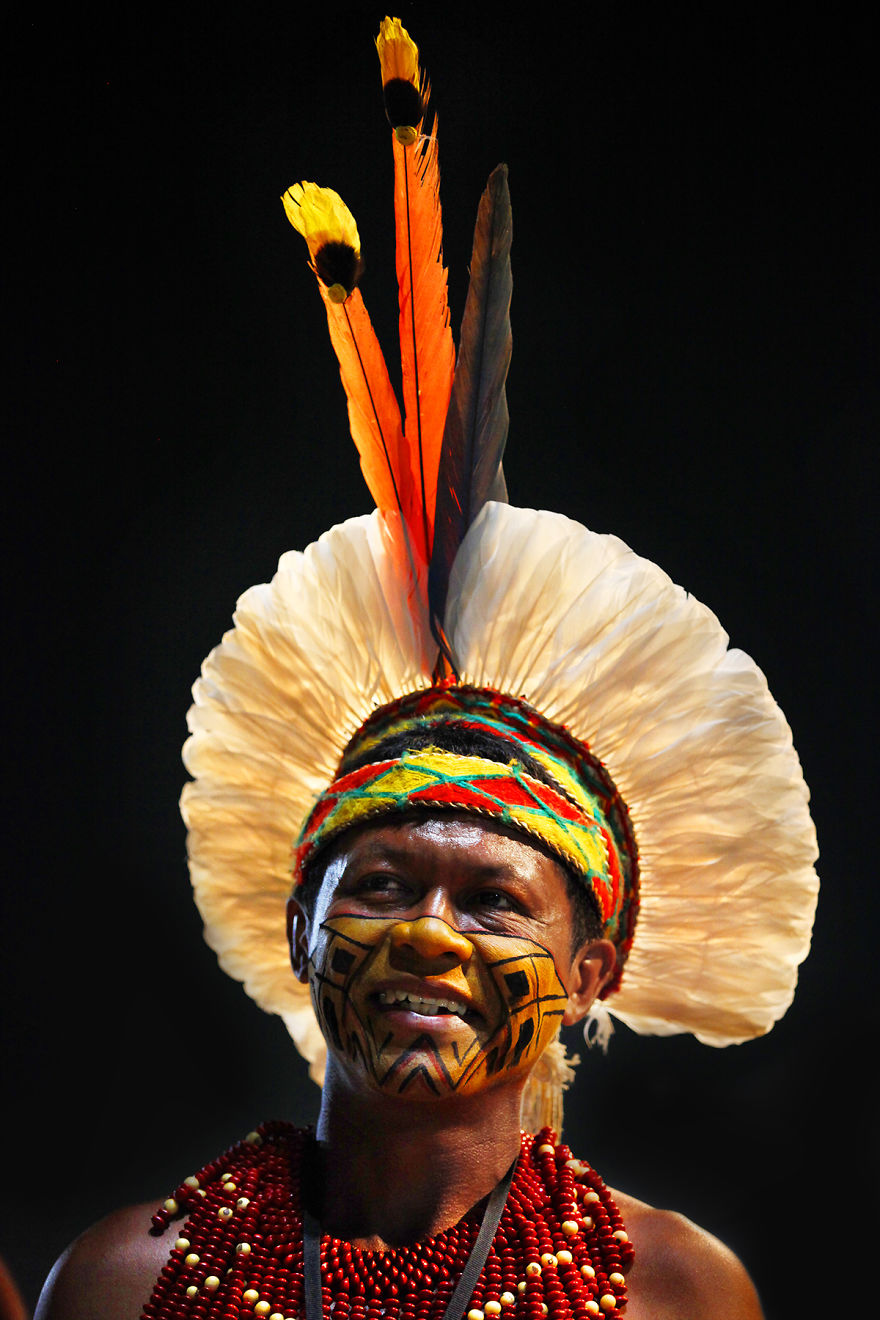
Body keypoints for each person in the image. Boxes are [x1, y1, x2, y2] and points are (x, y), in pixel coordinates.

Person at [35, 17, 818, 1320]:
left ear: (594, 969)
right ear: (299, 923)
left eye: (498, 902)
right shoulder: (130, 1281)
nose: (428, 938)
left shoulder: (673, 1292)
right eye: (384, 883)